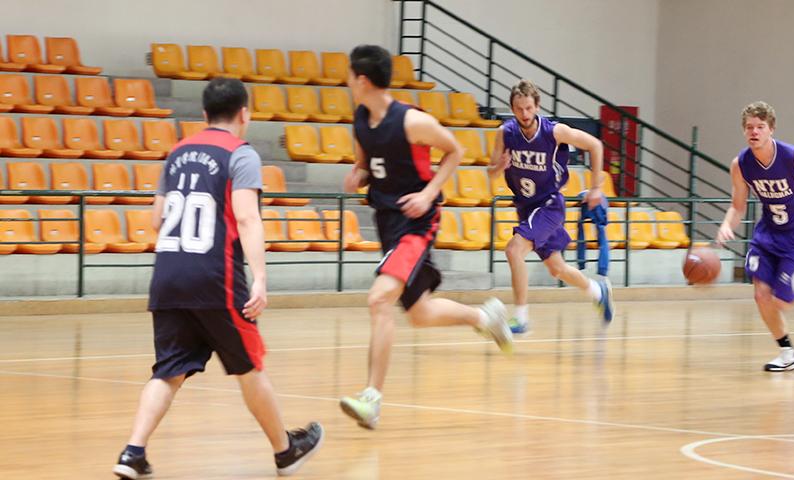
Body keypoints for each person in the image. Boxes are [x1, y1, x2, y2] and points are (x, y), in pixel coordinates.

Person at [112, 78, 322, 479]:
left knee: (168, 371)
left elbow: (156, 219)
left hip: (168, 274)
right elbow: (246, 217)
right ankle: (285, 451)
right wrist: (259, 278)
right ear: (245, 114)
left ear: (205, 115)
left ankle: (132, 452)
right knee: (249, 366)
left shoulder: (176, 153)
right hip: (216, 278)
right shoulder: (240, 154)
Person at [339, 45, 513, 430]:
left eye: (350, 75)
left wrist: (429, 193)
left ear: (363, 79)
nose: (347, 80)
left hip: (417, 222)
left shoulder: (411, 121)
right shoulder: (361, 120)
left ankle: (371, 398)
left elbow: (455, 150)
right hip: (388, 222)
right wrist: (358, 176)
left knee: (379, 298)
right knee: (419, 313)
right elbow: (366, 167)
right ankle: (486, 317)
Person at [716, 101, 794, 372]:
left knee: (783, 301)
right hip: (767, 234)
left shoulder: (792, 157)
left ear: (771, 129)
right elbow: (737, 205)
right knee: (761, 295)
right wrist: (727, 225)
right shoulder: (741, 164)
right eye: (749, 127)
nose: (754, 132)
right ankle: (787, 353)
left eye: (760, 127)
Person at [487, 79, 614, 335]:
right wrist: (499, 167)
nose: (524, 114)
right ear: (512, 108)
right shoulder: (505, 133)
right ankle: (597, 291)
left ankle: (521, 318)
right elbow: (490, 173)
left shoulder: (554, 132)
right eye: (519, 109)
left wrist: (596, 188)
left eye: (529, 108)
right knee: (557, 268)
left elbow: (595, 145)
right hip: (526, 207)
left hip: (549, 205)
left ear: (537, 106)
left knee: (514, 251)